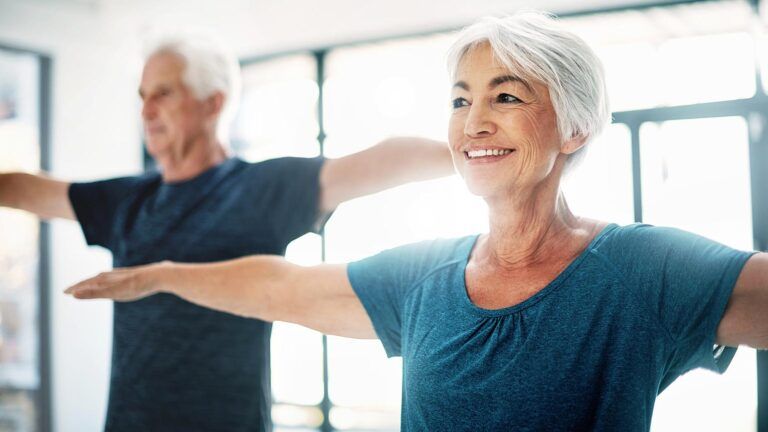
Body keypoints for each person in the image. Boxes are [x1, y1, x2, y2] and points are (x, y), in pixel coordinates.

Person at [65, 12, 768, 431]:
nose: (475, 121)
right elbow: (285, 286)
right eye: (461, 100)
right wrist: (159, 274)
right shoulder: (427, 276)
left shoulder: (643, 272)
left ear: (575, 127)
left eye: (507, 95)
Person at [0, 35, 454, 431]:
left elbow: (379, 161)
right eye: (142, 96)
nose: (147, 110)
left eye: (163, 93)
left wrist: (482, 154)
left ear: (212, 103)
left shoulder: (260, 189)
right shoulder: (127, 201)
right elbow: (25, 189)